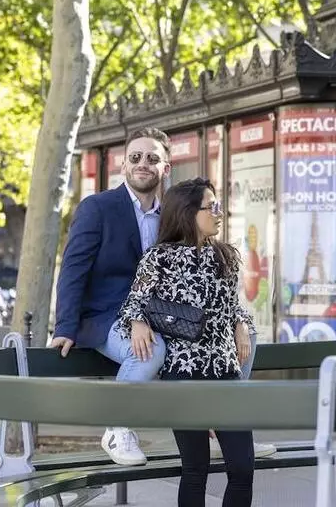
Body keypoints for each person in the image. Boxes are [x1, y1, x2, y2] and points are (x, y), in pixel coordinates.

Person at [116, 178, 255, 506]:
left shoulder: (225, 256)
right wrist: (137, 322)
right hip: (184, 376)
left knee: (243, 467)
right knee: (196, 469)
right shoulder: (158, 258)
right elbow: (135, 301)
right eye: (212, 207)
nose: (219, 213)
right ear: (188, 212)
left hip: (225, 373)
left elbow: (235, 306)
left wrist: (242, 324)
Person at [51, 127, 172, 466]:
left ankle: (217, 426)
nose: (142, 163)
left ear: (166, 168)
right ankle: (118, 430)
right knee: (149, 353)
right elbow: (73, 270)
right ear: (124, 166)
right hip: (105, 318)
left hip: (159, 318)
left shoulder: (172, 217)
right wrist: (65, 326)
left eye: (152, 158)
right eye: (135, 157)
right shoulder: (98, 208)